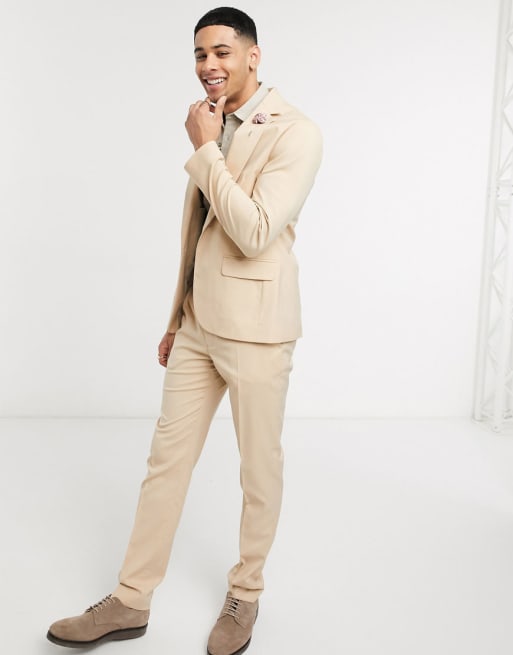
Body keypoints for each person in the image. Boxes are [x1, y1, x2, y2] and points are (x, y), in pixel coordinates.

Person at [46, 7, 322, 655]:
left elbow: (254, 232)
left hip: (258, 331)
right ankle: (130, 598)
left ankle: (245, 594)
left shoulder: (296, 131)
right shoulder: (215, 123)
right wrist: (176, 319)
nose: (208, 65)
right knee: (165, 463)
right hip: (199, 326)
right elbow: (198, 234)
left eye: (222, 51)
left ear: (253, 55)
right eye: (200, 54)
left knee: (258, 471)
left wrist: (203, 149)